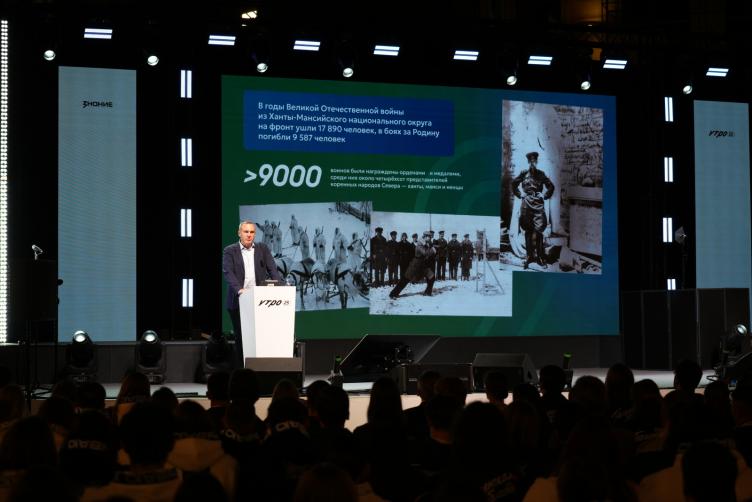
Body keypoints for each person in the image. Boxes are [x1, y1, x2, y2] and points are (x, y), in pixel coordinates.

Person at [223, 221, 282, 369]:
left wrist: (279, 287)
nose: (249, 235)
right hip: (238, 301)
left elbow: (272, 269)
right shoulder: (230, 250)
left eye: (252, 232)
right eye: (246, 232)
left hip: (259, 301)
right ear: (239, 233)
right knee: (242, 337)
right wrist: (239, 289)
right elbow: (228, 272)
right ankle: (242, 371)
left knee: (261, 337)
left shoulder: (262, 248)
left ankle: (260, 369)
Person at [511, 151, 555, 269]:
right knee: (528, 231)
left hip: (538, 205)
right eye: (530, 161)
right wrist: (520, 194)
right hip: (526, 205)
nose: (532, 163)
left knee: (539, 231)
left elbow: (551, 186)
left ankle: (540, 257)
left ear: (537, 162)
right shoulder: (523, 174)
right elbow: (513, 184)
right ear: (528, 162)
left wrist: (544, 195)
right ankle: (529, 256)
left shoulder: (541, 174)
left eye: (534, 161)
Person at [389, 231, 436, 298]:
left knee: (432, 277)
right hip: (415, 265)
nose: (430, 238)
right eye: (429, 237)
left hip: (423, 265)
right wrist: (433, 250)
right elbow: (425, 253)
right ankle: (393, 294)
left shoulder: (426, 243)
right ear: (425, 237)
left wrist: (431, 246)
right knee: (405, 279)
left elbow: (428, 250)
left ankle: (428, 292)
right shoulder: (420, 244)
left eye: (430, 237)